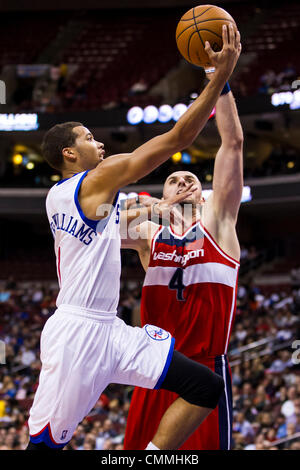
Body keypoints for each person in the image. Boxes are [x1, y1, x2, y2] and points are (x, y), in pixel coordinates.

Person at [26, 25, 241, 451]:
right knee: (46, 444)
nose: (100, 142)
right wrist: (218, 77)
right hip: (76, 331)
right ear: (70, 154)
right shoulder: (95, 182)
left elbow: (126, 210)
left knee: (205, 388)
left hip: (114, 331)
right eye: (89, 138)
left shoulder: (72, 199)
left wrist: (163, 206)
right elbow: (177, 140)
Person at [122, 61, 243, 450]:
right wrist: (153, 207)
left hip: (205, 367)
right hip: (156, 366)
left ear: (204, 194)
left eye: (190, 179)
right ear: (163, 193)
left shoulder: (219, 222)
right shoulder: (149, 234)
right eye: (173, 179)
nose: (183, 181)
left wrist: (218, 77)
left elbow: (233, 143)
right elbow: (97, 226)